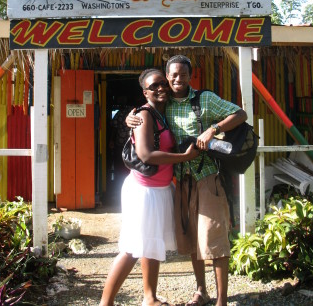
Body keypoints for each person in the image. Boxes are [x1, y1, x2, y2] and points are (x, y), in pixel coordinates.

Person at [126, 55, 247, 306]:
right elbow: (145, 112)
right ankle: (201, 291)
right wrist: (131, 117)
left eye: (182, 74)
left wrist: (213, 129)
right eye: (172, 75)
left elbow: (240, 114)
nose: (176, 79)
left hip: (207, 178)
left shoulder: (204, 99)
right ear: (167, 77)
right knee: (192, 239)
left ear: (190, 76)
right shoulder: (164, 103)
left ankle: (222, 300)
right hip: (181, 181)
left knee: (214, 238)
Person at [99, 68, 199, 306]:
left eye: (163, 83)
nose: (161, 88)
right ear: (145, 92)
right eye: (154, 86)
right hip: (144, 193)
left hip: (161, 190)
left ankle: (150, 297)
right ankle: (106, 302)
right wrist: (184, 157)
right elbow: (146, 154)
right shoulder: (144, 115)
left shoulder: (164, 112)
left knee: (151, 244)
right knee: (132, 248)